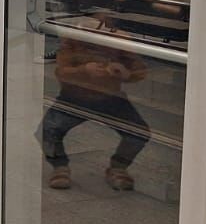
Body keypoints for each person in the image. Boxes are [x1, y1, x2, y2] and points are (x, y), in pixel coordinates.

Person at [39, 17, 148, 191]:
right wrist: (83, 70)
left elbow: (139, 70)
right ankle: (59, 166)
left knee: (138, 133)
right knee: (48, 130)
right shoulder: (73, 40)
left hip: (111, 97)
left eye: (104, 27)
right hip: (74, 96)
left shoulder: (119, 40)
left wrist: (126, 73)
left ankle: (118, 167)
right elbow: (61, 72)